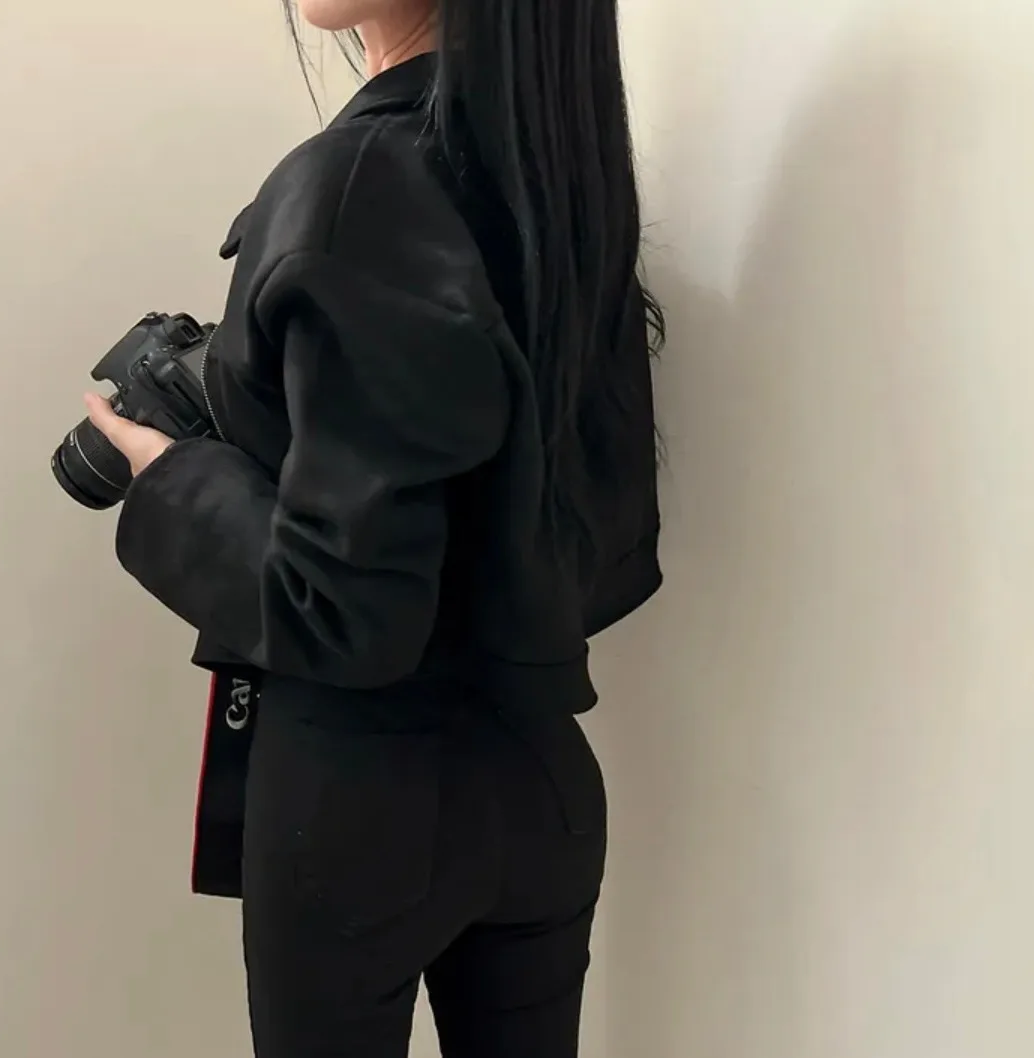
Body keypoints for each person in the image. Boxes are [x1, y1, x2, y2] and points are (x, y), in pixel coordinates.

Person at [83, 0, 663, 1054]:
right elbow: (610, 554)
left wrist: (171, 475)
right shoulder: (558, 179)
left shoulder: (354, 181)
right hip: (541, 779)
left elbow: (342, 612)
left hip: (357, 798)